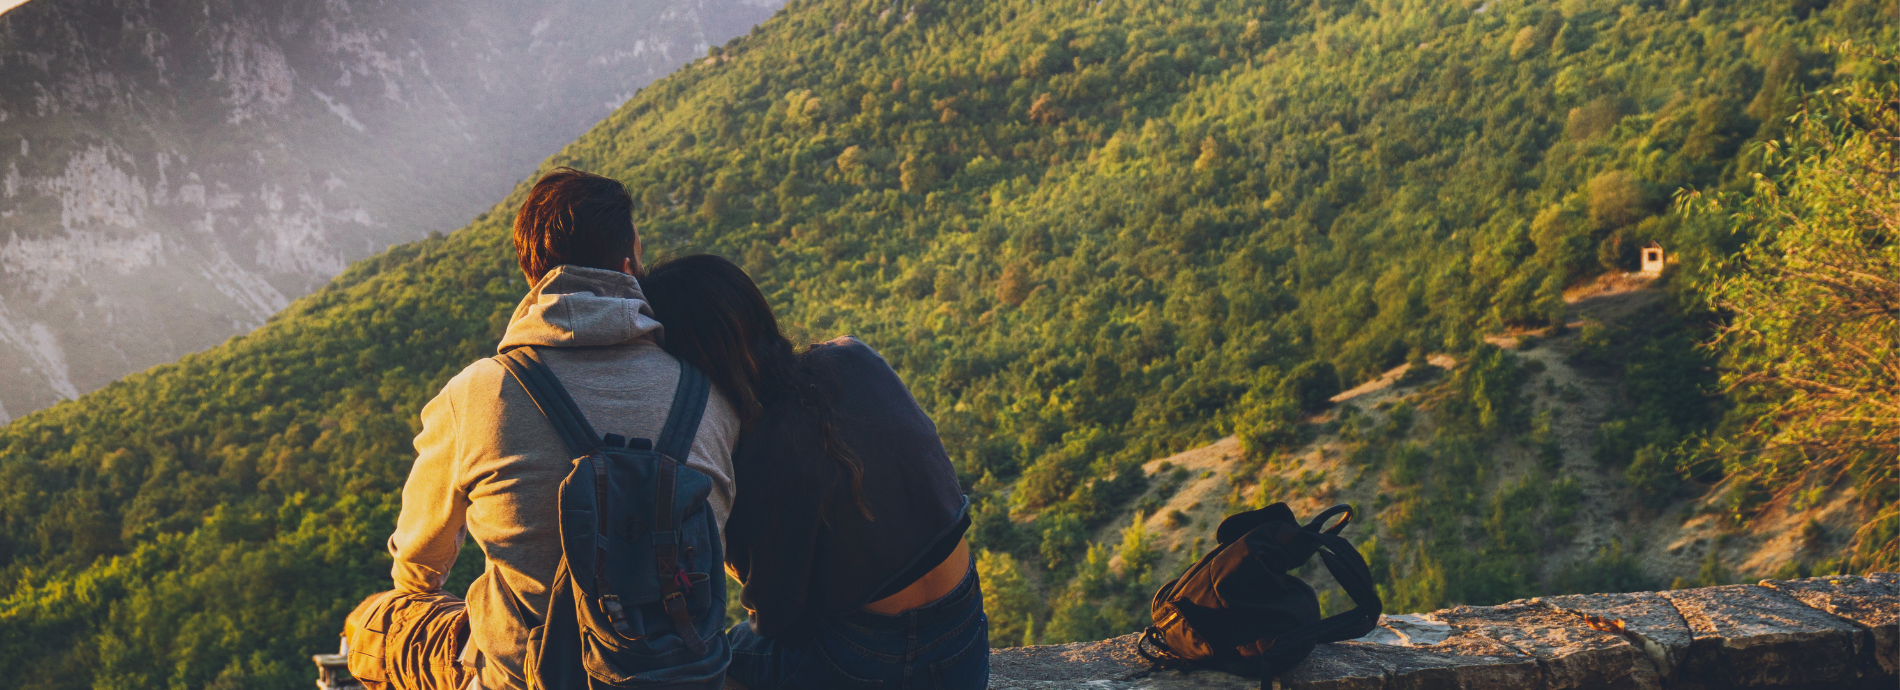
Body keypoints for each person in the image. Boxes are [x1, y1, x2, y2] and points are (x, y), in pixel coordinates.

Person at [343, 169, 741, 690]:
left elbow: (419, 563)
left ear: (532, 275)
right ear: (630, 265)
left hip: (522, 677)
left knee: (373, 623)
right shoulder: (709, 397)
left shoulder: (478, 393)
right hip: (677, 672)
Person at [640, 254, 987, 690]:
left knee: (704, 661)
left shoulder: (759, 449)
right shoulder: (854, 358)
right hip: (966, 636)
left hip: (871, 660)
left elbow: (776, 617)